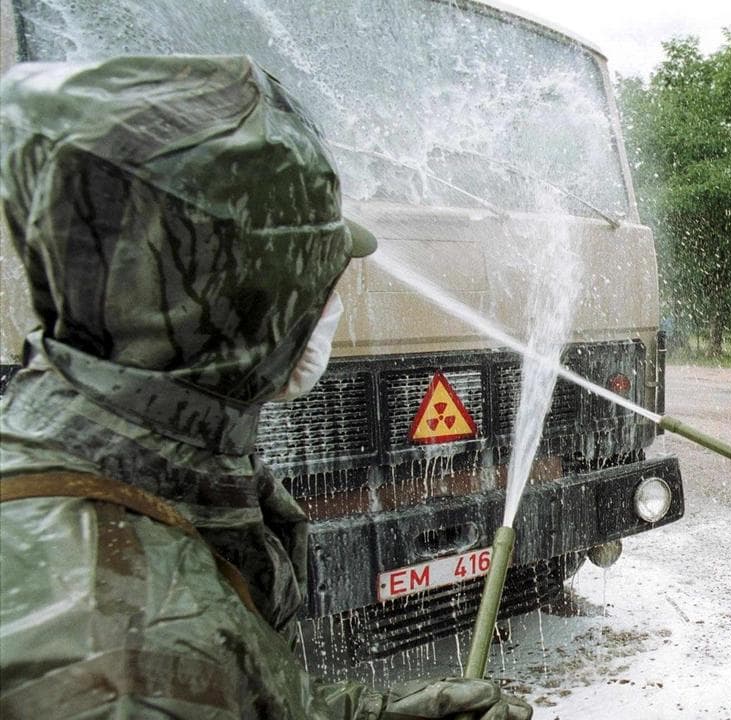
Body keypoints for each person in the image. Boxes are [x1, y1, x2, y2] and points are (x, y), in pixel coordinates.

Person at [0, 56, 531, 719]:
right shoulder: (127, 655)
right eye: (316, 268)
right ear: (248, 296)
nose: (333, 296)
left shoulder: (95, 461)